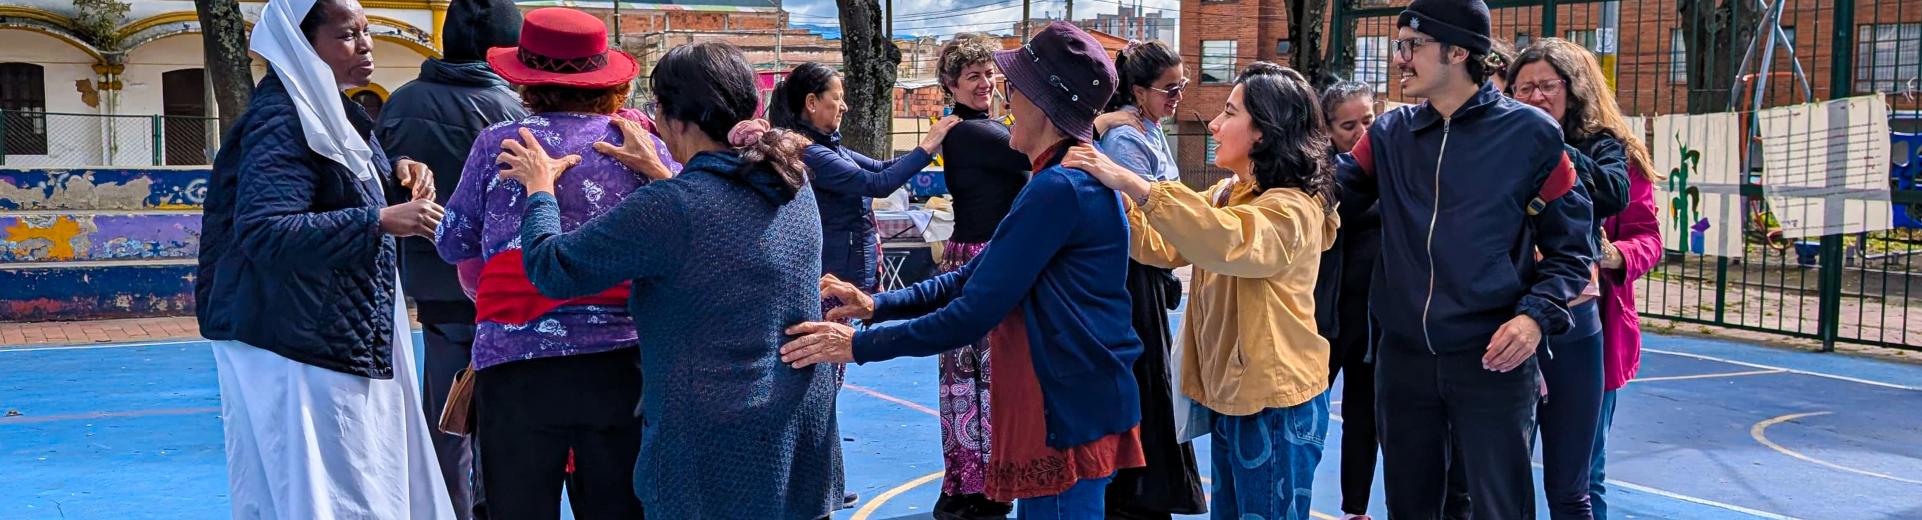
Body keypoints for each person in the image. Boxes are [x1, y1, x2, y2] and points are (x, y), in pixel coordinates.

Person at [781, 22, 1146, 519]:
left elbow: (973, 310)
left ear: (1042, 103)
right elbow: (975, 274)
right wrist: (877, 304)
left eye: (1012, 87)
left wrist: (859, 344)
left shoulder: (1060, 187)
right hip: (1074, 400)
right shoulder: (1058, 177)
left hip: (1067, 408)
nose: (1003, 98)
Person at [494, 40, 844, 519]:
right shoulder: (791, 182)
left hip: (712, 445)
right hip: (800, 431)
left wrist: (539, 188)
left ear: (675, 118)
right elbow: (722, 232)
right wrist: (665, 172)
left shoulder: (671, 208)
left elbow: (552, 267)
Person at [1334, 1, 1596, 519]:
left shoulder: (1533, 136)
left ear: (1458, 51)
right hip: (1404, 360)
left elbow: (1573, 248)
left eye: (1412, 46)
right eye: (1399, 46)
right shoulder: (1389, 136)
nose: (1400, 60)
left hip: (1493, 358)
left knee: (1499, 508)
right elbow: (1330, 193)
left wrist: (1534, 318)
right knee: (1410, 508)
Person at [195, 0, 454, 517]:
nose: (365, 45)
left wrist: (395, 171)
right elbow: (265, 229)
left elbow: (331, 185)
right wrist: (379, 219)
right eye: (347, 35)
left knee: (355, 482)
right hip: (295, 343)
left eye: (366, 31)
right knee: (328, 490)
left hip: (330, 331)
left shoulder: (328, 108)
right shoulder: (281, 119)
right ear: (302, 44)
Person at [434, 8, 682, 519]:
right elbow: (690, 227)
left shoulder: (496, 145)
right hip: (621, 364)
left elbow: (453, 242)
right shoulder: (640, 146)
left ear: (526, 78)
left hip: (516, 364)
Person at [1066, 61, 1338, 520]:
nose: (1214, 124)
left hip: (1275, 402)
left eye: (1229, 114)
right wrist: (1107, 197)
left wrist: (1134, 183)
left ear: (1263, 132)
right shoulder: (1231, 193)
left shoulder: (1293, 207)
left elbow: (1228, 240)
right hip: (1236, 398)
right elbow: (1162, 244)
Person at [374, 0, 525, 514]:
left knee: (445, 412)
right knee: (505, 412)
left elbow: (381, 178)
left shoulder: (400, 102)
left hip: (433, 283)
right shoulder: (514, 109)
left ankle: (448, 508)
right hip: (504, 285)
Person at [1502, 37, 1646, 520]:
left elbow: (1631, 217)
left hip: (1584, 319)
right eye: (1524, 89)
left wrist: (1614, 257)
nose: (1536, 96)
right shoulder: (1498, 143)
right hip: (1507, 315)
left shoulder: (1607, 148)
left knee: (1581, 476)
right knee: (1499, 470)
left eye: (1547, 86)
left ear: (1574, 89)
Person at [1086, 38, 1208, 520]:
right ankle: (1138, 495)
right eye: (1168, 88)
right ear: (1138, 92)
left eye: (1182, 85)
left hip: (1151, 272)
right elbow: (1141, 212)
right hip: (1135, 274)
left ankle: (1147, 490)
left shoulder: (1150, 128)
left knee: (1155, 380)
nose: (1177, 96)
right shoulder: (1127, 138)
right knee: (1146, 380)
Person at [926, 32, 1031, 520]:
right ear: (951, 85)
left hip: (975, 257)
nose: (985, 83)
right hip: (982, 259)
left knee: (972, 380)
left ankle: (971, 484)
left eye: (989, 74)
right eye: (973, 77)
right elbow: (1027, 154)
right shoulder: (969, 132)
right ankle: (981, 485)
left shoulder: (982, 128)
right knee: (984, 380)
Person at [770, 62, 961, 293]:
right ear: (812, 103)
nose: (844, 107)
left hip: (853, 265)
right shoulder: (811, 153)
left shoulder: (828, 147)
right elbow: (877, 184)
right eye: (837, 98)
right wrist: (927, 145)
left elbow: (880, 169)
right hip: (838, 273)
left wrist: (931, 150)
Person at [1314, 79, 1383, 520]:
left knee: (1365, 421)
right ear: (1327, 130)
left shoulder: (1392, 165)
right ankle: (1293, 496)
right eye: (1347, 125)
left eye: (1368, 121)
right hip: (1325, 319)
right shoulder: (1325, 175)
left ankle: (1355, 509)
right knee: (1309, 420)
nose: (1361, 132)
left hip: (1374, 320)